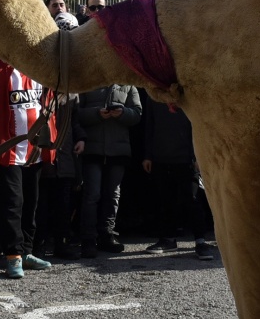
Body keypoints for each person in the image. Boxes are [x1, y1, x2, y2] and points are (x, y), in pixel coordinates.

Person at [0, 53, 55, 279]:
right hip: (6, 152)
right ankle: (13, 255)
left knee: (31, 202)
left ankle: (27, 252)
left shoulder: (38, 70)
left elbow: (47, 106)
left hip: (35, 152)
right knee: (13, 203)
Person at [139, 92, 215, 258]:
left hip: (187, 158)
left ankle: (201, 242)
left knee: (193, 200)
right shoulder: (153, 96)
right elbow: (149, 126)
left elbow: (199, 126)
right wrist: (148, 155)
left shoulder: (187, 94)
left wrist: (197, 155)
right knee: (166, 200)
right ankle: (168, 240)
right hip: (160, 156)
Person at [75, 83, 142, 254]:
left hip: (118, 151)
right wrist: (97, 113)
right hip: (92, 149)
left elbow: (137, 114)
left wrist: (122, 113)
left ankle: (107, 235)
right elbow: (76, 114)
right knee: (92, 195)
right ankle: (88, 239)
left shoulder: (129, 86)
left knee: (113, 195)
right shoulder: (88, 83)